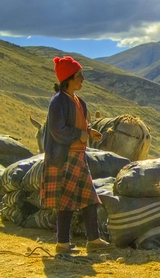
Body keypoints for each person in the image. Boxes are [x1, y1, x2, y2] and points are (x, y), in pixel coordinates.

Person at [41, 56, 116, 254]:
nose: (82, 79)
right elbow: (58, 131)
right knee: (66, 200)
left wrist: (89, 132)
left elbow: (78, 125)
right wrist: (81, 134)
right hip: (65, 158)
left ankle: (94, 240)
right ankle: (62, 244)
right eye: (79, 75)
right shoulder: (57, 103)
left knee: (89, 197)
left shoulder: (78, 102)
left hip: (78, 157)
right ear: (68, 78)